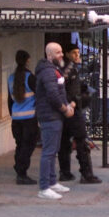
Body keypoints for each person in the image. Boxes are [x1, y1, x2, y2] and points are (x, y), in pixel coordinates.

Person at [34, 42, 75, 200]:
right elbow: (52, 94)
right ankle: (44, 187)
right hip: (50, 116)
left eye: (61, 51)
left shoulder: (53, 71)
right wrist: (65, 109)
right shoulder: (48, 72)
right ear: (49, 55)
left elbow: (60, 91)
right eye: (58, 52)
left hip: (54, 115)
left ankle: (51, 182)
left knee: (53, 151)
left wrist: (66, 106)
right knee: (49, 152)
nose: (61, 55)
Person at [58, 44, 101, 184]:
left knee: (64, 143)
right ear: (67, 54)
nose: (78, 55)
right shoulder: (70, 69)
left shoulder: (66, 68)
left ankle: (65, 172)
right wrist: (76, 100)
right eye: (74, 53)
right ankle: (86, 173)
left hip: (64, 111)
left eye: (78, 52)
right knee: (81, 141)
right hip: (73, 111)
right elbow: (69, 91)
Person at [7, 50, 38, 185]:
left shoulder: (11, 78)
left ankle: (19, 167)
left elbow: (10, 100)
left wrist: (12, 114)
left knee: (20, 145)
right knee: (28, 146)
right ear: (27, 61)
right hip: (29, 118)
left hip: (16, 119)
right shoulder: (30, 77)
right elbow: (40, 93)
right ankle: (22, 173)